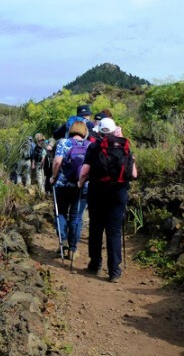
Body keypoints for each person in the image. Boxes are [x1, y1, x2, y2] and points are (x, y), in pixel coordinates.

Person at [78, 117, 137, 283]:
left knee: (96, 228)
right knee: (114, 230)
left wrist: (80, 183)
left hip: (97, 191)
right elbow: (133, 174)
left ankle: (95, 264)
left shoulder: (94, 147)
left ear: (99, 131)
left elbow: (84, 172)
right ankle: (114, 271)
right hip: (118, 192)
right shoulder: (125, 147)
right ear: (114, 130)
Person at [49, 120, 91, 260]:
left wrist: (54, 177)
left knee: (60, 213)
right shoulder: (90, 145)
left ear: (71, 129)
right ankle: (73, 249)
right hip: (82, 186)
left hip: (63, 185)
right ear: (84, 131)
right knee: (76, 217)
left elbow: (57, 162)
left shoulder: (63, 143)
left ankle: (63, 241)